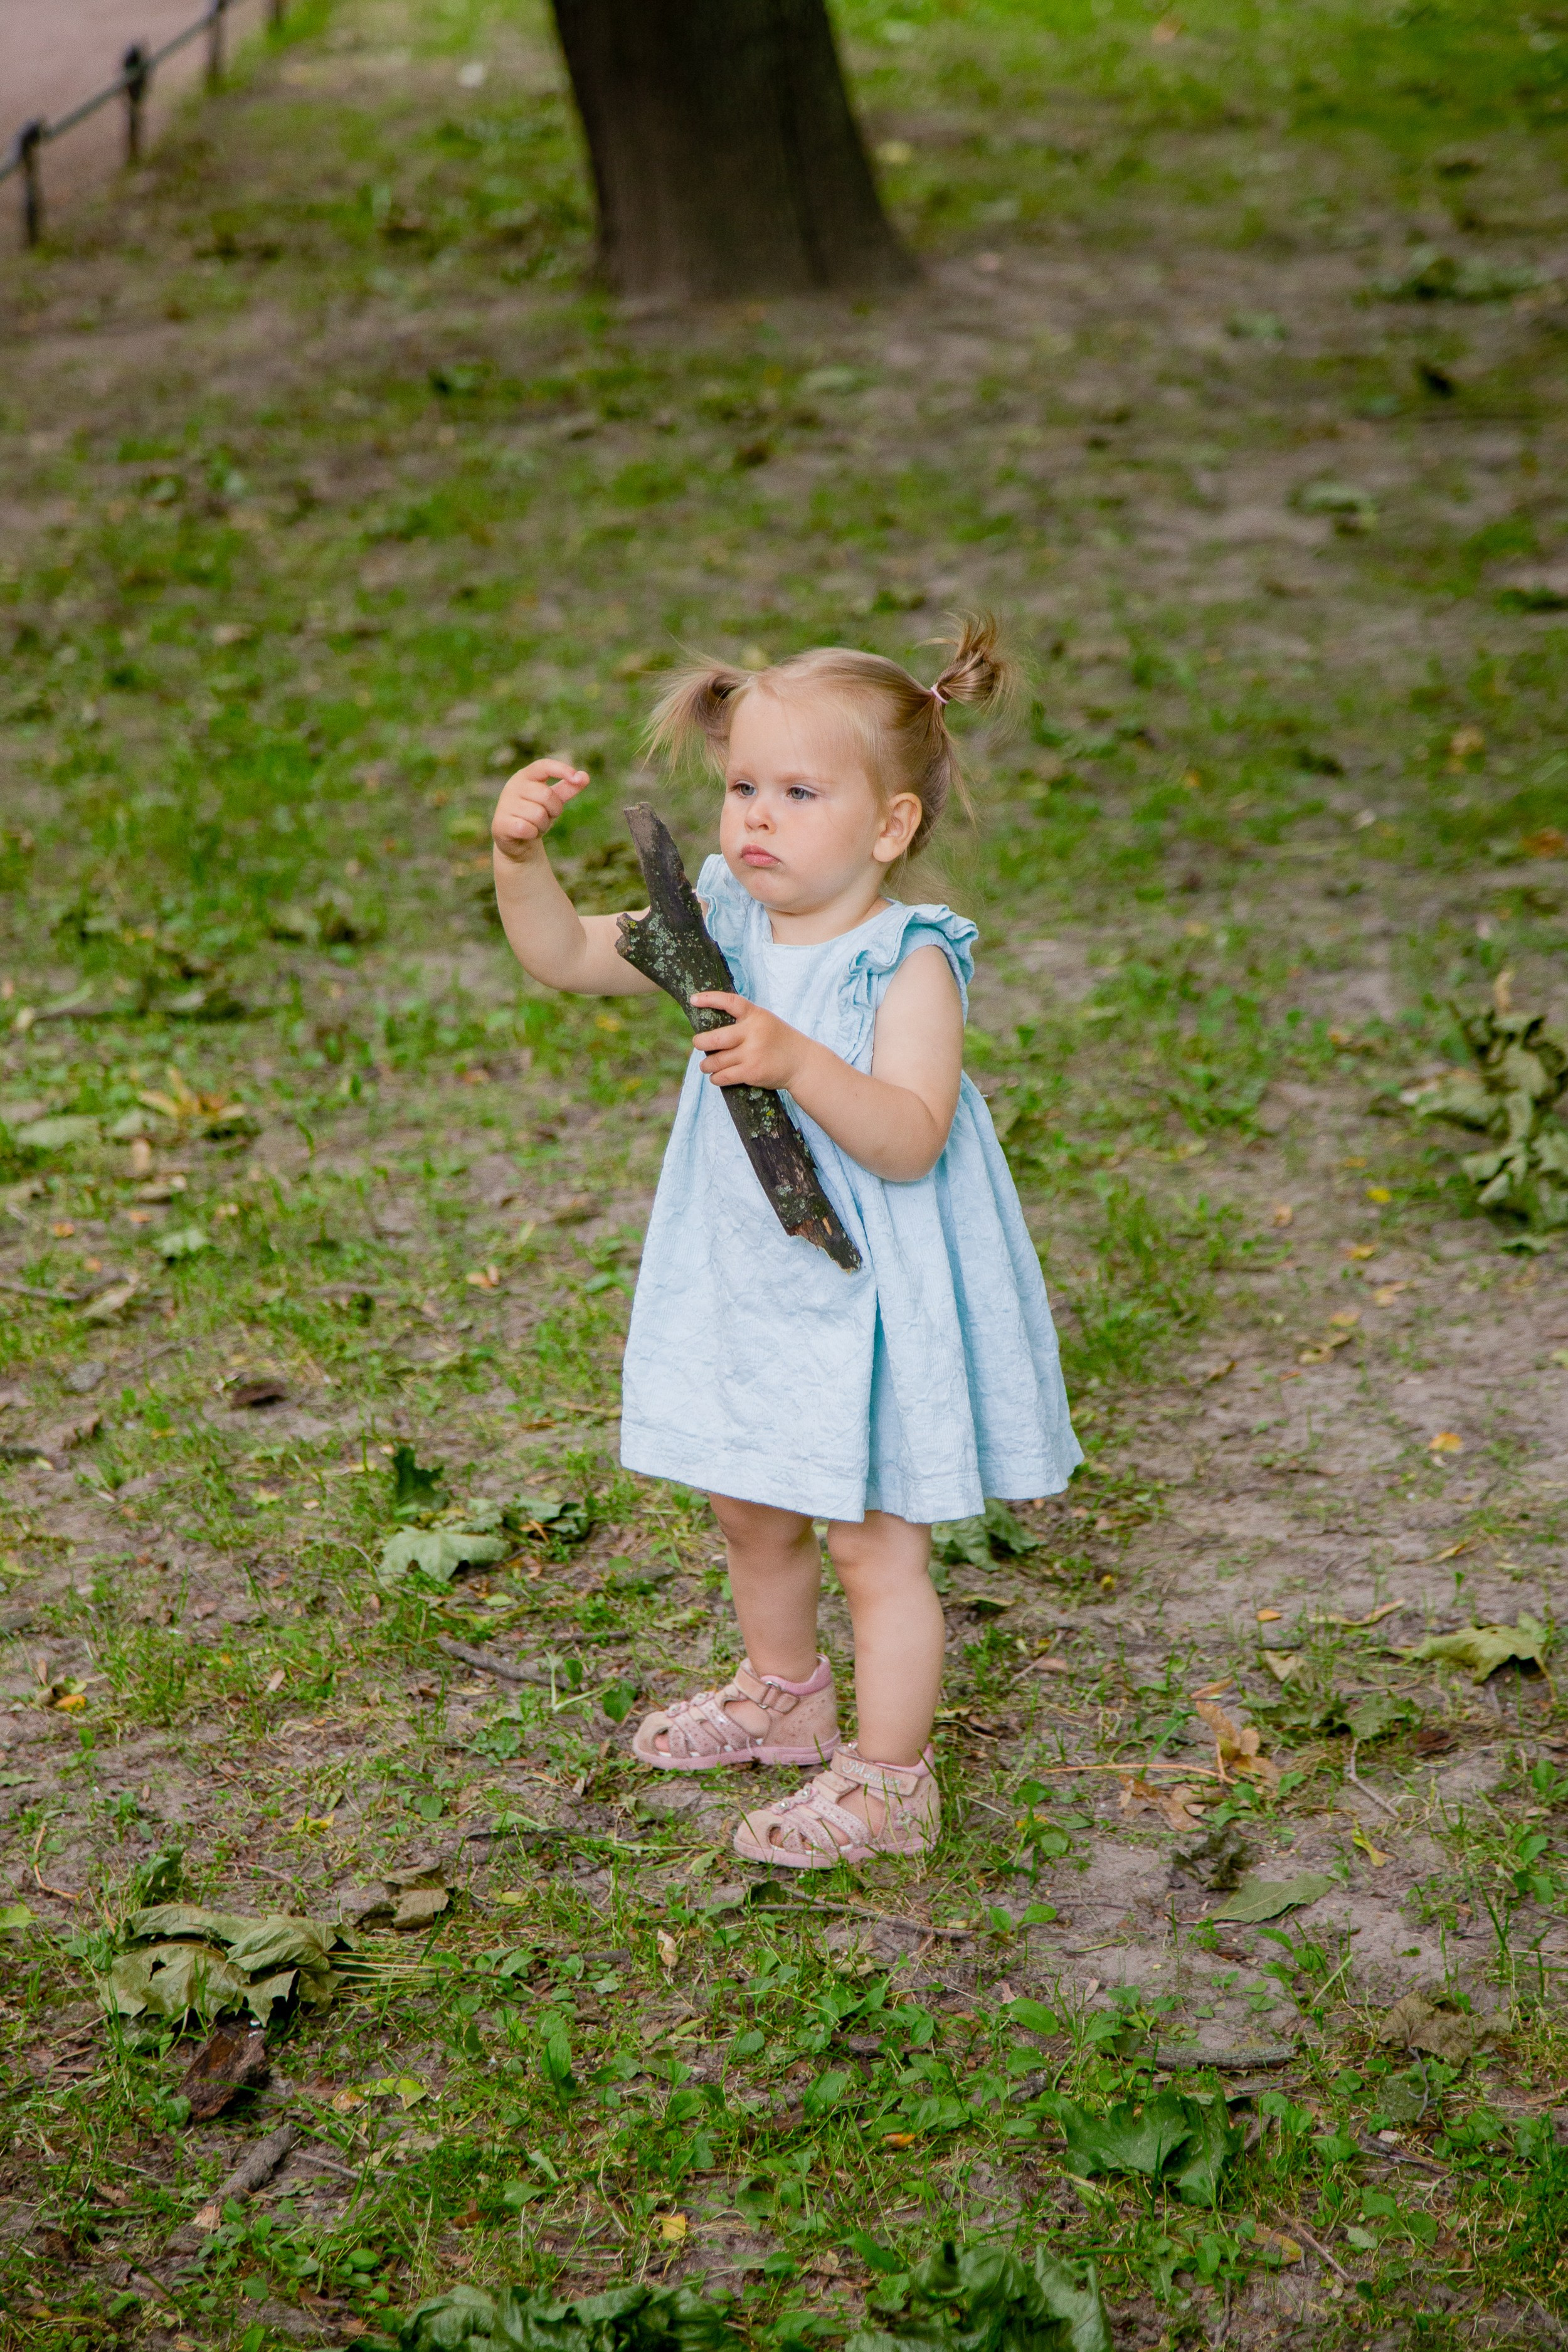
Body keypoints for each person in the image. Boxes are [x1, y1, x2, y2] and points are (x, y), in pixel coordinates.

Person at [490, 617, 1081, 1868]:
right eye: (740, 788)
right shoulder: (720, 921)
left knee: (873, 1540)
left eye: (797, 793)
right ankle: (783, 1692)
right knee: (749, 1500)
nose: (753, 817)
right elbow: (561, 958)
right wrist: (516, 859)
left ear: (888, 828)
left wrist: (798, 1059)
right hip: (752, 1279)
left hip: (872, 1294)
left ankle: (886, 1781)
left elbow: (910, 1138)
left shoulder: (902, 962)